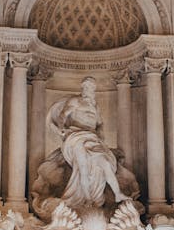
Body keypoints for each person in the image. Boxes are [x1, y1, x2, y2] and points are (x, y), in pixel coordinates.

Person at [48, 77, 127, 209]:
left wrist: (101, 135)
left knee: (106, 164)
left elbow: (100, 123)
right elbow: (63, 115)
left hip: (93, 138)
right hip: (76, 136)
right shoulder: (75, 101)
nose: (88, 90)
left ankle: (118, 194)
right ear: (83, 88)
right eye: (86, 87)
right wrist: (62, 129)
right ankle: (88, 199)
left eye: (91, 88)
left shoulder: (95, 106)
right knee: (83, 168)